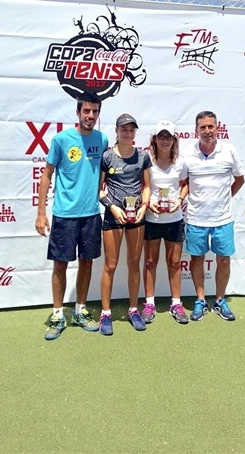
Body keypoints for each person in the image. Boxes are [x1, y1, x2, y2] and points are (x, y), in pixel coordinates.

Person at [35, 92, 108, 340]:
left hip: (91, 214)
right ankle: (58, 313)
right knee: (61, 264)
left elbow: (103, 172)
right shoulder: (61, 139)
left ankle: (80, 309)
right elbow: (46, 175)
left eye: (95, 112)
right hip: (64, 214)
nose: (90, 116)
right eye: (86, 111)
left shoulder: (103, 139)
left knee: (87, 262)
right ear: (78, 112)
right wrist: (41, 213)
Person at [185, 111, 245, 321]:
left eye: (211, 126)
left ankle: (220, 300)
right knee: (196, 259)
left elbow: (239, 180)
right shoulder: (188, 153)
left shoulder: (229, 150)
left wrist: (224, 199)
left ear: (217, 127)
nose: (207, 131)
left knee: (225, 261)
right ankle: (200, 300)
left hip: (223, 219)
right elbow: (184, 184)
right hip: (196, 218)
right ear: (196, 130)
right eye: (203, 127)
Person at [99, 113, 151, 335]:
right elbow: (99, 190)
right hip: (113, 216)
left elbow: (147, 186)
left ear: (135, 133)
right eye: (124, 130)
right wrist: (112, 207)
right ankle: (105, 314)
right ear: (117, 131)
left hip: (137, 218)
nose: (128, 134)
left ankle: (133, 309)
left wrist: (144, 206)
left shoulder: (143, 157)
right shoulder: (107, 157)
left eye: (131, 130)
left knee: (134, 262)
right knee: (110, 265)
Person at [142, 120, 189, 324]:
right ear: (154, 139)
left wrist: (179, 200)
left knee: (175, 262)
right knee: (150, 262)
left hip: (174, 219)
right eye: (161, 136)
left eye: (168, 137)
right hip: (152, 218)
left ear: (174, 139)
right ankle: (150, 303)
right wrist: (148, 203)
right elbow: (142, 185)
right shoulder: (146, 161)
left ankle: (176, 303)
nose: (164, 140)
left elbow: (185, 185)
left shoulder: (181, 162)